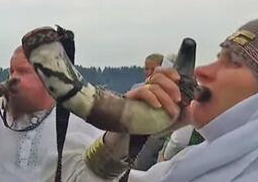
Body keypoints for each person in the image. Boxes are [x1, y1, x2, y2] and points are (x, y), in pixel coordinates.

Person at [92, 19, 258, 181]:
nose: (200, 71)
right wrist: (128, 136)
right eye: (217, 58)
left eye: (233, 62)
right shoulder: (192, 164)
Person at [0, 46, 103, 181]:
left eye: (22, 72)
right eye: (11, 71)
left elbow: (118, 172)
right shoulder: (0, 122)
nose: (12, 79)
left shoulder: (82, 123)